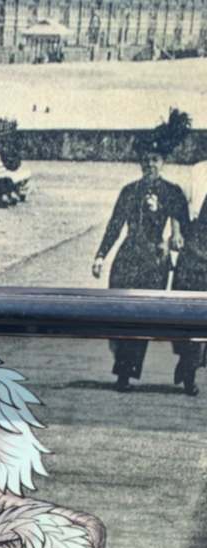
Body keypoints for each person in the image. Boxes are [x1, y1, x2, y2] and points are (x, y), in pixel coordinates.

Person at [92, 110, 191, 391]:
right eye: (145, 160)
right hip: (127, 258)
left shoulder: (173, 192)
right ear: (140, 163)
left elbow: (181, 223)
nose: (150, 165)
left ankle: (126, 373)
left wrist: (175, 234)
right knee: (120, 314)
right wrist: (100, 255)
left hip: (154, 263)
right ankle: (123, 366)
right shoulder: (129, 191)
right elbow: (114, 225)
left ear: (164, 162)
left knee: (141, 318)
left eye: (155, 160)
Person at [171, 192, 207, 395]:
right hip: (192, 261)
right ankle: (188, 368)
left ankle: (188, 367)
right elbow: (178, 211)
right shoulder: (198, 177)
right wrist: (176, 232)